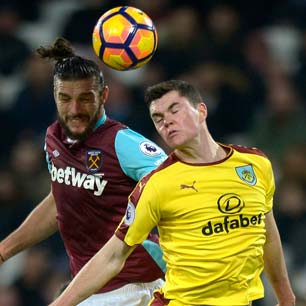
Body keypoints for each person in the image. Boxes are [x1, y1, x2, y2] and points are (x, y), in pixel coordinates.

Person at [47, 79, 296, 306]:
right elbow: (113, 255)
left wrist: (285, 296)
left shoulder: (255, 164)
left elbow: (268, 234)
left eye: (174, 110)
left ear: (201, 111)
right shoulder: (157, 184)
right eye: (158, 118)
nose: (166, 121)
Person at [0, 37, 168, 306]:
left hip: (133, 287)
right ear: (54, 97)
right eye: (65, 99)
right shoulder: (54, 138)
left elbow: (179, 180)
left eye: (85, 99)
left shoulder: (122, 143)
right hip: (88, 287)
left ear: (103, 96)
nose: (75, 110)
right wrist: (4, 250)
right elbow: (62, 200)